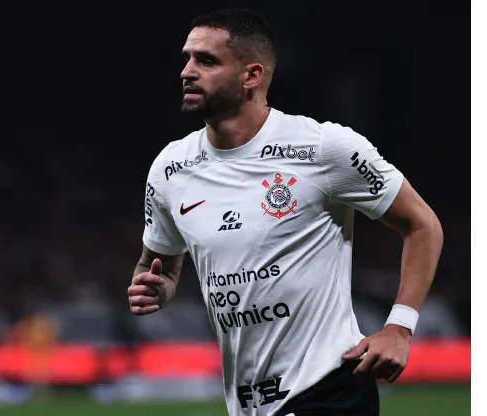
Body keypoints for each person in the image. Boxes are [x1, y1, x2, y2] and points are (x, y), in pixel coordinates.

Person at [126, 8, 444, 416]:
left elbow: (422, 225)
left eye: (206, 60)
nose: (187, 71)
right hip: (249, 401)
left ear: (251, 76)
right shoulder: (171, 169)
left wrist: (399, 328)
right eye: (187, 58)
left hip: (330, 389)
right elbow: (158, 266)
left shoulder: (323, 148)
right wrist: (156, 286)